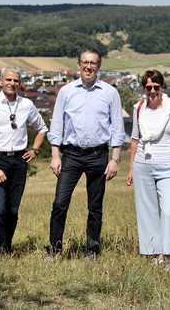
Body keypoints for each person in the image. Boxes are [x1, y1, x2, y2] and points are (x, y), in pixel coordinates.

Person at [47, 48, 125, 262]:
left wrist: (115, 159)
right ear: (78, 65)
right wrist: (55, 155)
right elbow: (56, 126)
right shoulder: (66, 91)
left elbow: (118, 128)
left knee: (95, 207)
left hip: (98, 156)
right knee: (60, 203)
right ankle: (54, 250)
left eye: (93, 63)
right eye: (85, 62)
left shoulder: (110, 93)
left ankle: (91, 250)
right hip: (71, 155)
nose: (88, 66)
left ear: (98, 66)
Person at [0, 66, 48, 257]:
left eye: (16, 81)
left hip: (19, 160)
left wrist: (35, 149)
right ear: (0, 81)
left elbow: (41, 128)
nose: (12, 84)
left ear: (20, 83)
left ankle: (6, 247)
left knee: (13, 210)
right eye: (8, 80)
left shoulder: (27, 104)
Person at [125, 70, 170, 271]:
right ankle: (156, 254)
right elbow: (134, 139)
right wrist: (130, 169)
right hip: (142, 165)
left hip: (169, 166)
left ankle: (168, 255)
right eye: (148, 87)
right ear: (144, 88)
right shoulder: (138, 109)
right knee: (148, 213)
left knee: (168, 211)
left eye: (156, 87)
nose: (152, 91)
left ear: (162, 87)